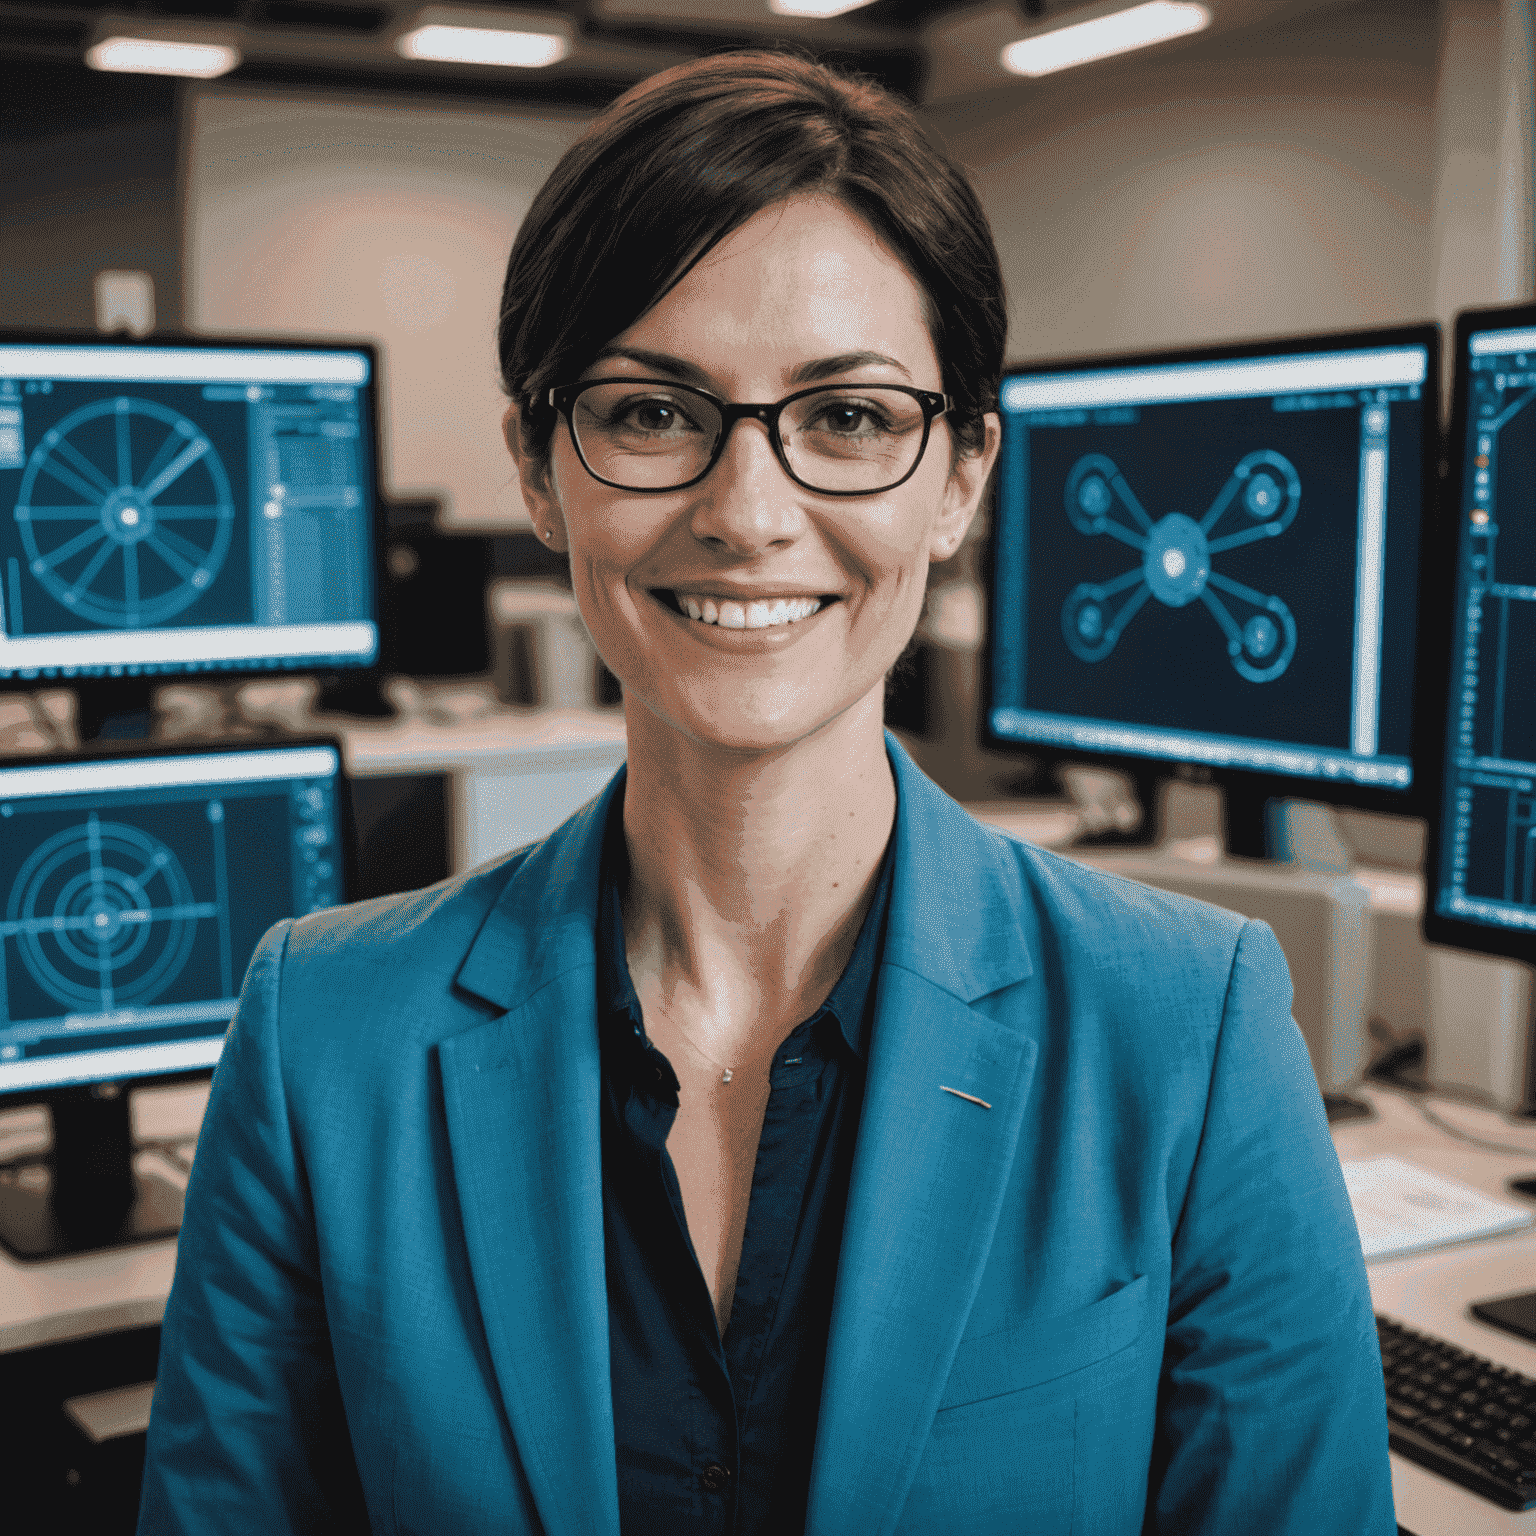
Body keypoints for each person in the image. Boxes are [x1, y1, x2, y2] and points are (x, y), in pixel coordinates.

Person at [139, 48, 1395, 1536]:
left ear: (963, 478)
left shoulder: (1190, 1031)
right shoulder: (321, 1039)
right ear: (542, 472)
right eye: (654, 412)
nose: (747, 514)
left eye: (851, 418)